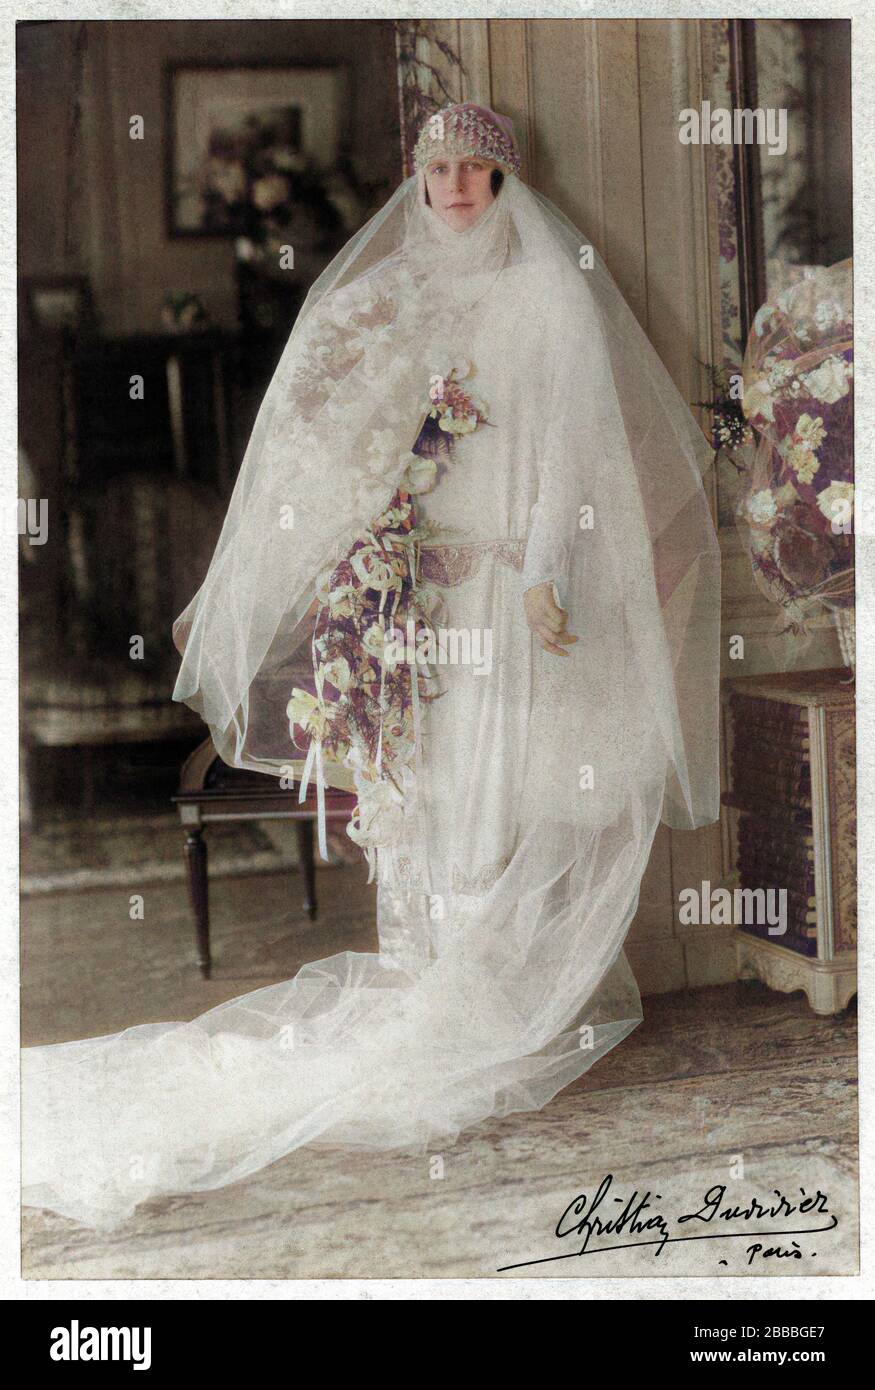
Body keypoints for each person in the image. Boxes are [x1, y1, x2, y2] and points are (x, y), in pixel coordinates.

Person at [22, 104, 720, 1230]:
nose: (452, 185)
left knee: (499, 792)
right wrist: (352, 542)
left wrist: (543, 573)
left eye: (473, 169)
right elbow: (345, 444)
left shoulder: (547, 294)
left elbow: (572, 452)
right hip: (409, 595)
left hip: (502, 593)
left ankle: (480, 1011)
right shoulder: (386, 300)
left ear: (503, 177)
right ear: (418, 175)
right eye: (436, 167)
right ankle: (435, 994)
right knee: (424, 802)